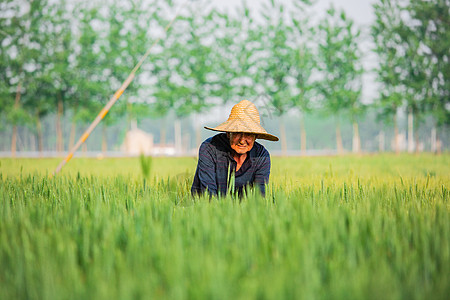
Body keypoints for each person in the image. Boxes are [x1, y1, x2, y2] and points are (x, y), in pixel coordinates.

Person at [191, 99, 279, 197]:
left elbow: (259, 196)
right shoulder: (210, 148)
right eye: (237, 133)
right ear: (228, 133)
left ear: (256, 136)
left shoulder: (261, 156)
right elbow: (208, 194)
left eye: (248, 134)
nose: (242, 140)